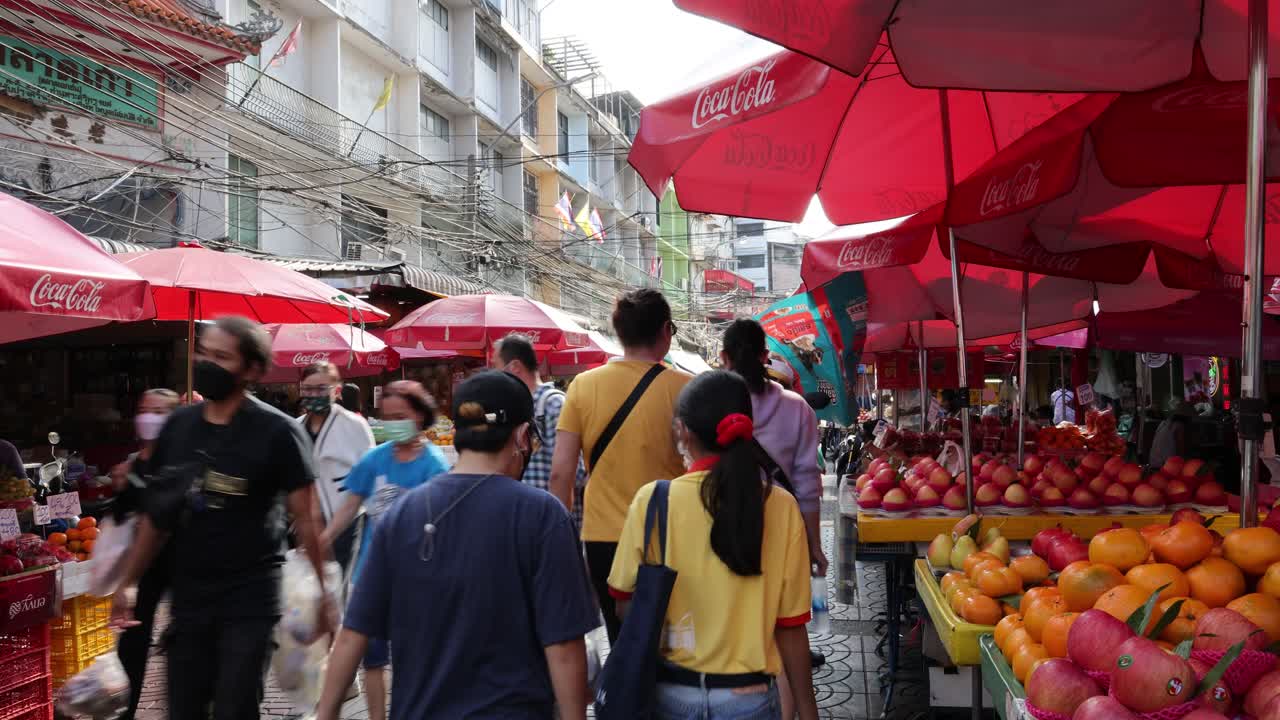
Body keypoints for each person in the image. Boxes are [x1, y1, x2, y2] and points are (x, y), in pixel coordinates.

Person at [316, 371, 600, 720]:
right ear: (522, 436)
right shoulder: (543, 517)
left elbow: (352, 634)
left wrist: (327, 712)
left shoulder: (399, 514)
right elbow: (565, 649)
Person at [109, 316, 332, 720]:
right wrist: (128, 583)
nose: (207, 363)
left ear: (250, 370)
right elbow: (156, 518)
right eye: (204, 353)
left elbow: (308, 518)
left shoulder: (278, 432)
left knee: (235, 704)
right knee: (185, 707)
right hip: (190, 594)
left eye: (221, 357)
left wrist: (325, 590)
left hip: (251, 593)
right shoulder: (179, 427)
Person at [608, 371, 819, 720]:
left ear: (684, 432)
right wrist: (808, 709)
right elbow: (791, 627)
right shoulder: (780, 506)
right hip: (748, 698)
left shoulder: (654, 501)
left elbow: (623, 606)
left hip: (671, 696)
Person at [551, 289, 692, 642]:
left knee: (623, 643)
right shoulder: (686, 389)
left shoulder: (582, 386)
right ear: (665, 331)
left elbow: (561, 473)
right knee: (674, 638)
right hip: (670, 532)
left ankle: (627, 697)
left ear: (619, 332)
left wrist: (564, 545)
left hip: (603, 539)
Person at [319, 380, 449, 720]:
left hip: (418, 579)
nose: (392, 423)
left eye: (400, 416)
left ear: (420, 417)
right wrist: (323, 538)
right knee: (373, 658)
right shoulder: (374, 459)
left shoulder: (434, 465)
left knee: (413, 657)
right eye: (387, 416)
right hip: (372, 574)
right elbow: (350, 506)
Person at [720, 319, 828, 684]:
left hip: (727, 531)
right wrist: (814, 544)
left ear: (723, 358)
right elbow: (807, 484)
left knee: (741, 625)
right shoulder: (797, 408)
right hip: (786, 530)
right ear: (767, 357)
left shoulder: (710, 403)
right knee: (785, 627)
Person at [108, 388, 179, 720]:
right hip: (143, 567)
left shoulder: (184, 462)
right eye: (145, 409)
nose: (150, 417)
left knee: (184, 647)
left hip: (185, 566)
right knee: (132, 647)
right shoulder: (134, 465)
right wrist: (121, 490)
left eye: (160, 411)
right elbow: (122, 517)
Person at [492, 333, 588, 534]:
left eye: (497, 367)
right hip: (524, 522)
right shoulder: (513, 408)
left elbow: (572, 475)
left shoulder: (553, 404)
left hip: (550, 524)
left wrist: (557, 526)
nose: (495, 375)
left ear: (515, 367)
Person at [299, 362, 375, 578]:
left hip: (345, 521)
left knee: (338, 588)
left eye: (321, 389)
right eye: (307, 389)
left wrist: (329, 534)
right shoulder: (296, 427)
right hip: (305, 524)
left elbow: (367, 477)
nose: (314, 395)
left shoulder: (354, 425)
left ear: (337, 390)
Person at [1149, 401, 1195, 471]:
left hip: (1153, 463)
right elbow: (1180, 449)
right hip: (1164, 466)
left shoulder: (1163, 423)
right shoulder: (1179, 426)